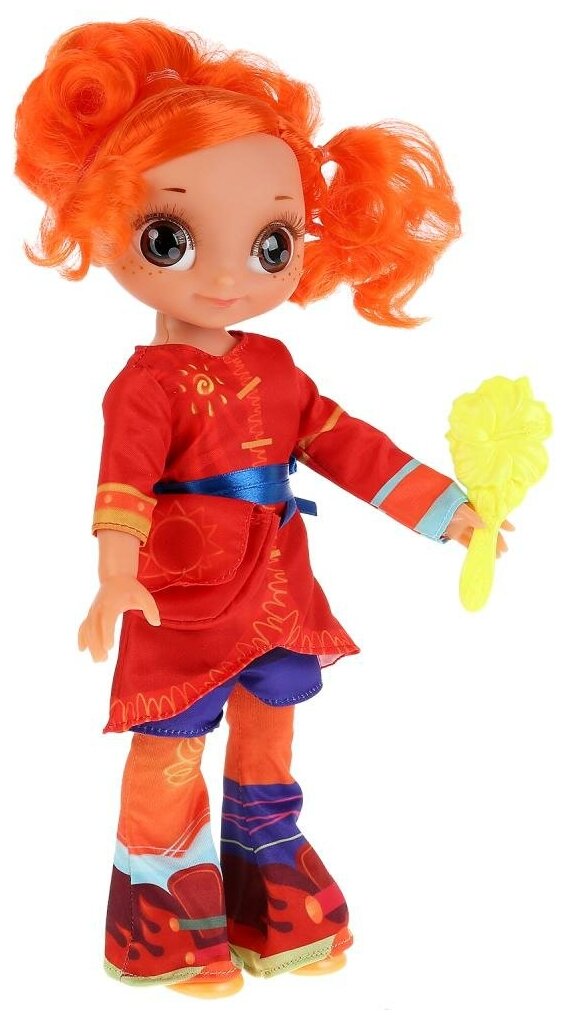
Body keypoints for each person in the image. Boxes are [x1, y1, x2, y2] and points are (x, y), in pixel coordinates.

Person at [14, 18, 511, 998]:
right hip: (180, 602)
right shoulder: (145, 384)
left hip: (277, 591)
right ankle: (161, 927)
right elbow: (121, 483)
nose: (226, 275)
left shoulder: (277, 366)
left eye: (270, 243)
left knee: (269, 741)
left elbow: (344, 442)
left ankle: (269, 904)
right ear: (106, 223)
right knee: (170, 752)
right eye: (170, 238)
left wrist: (445, 509)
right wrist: (114, 574)